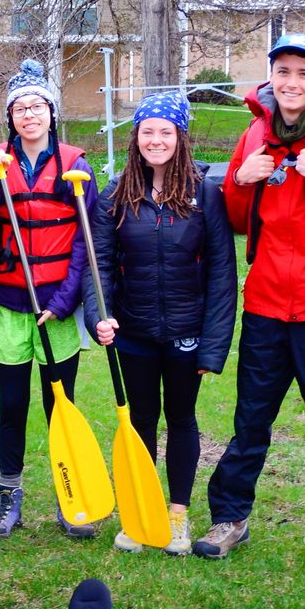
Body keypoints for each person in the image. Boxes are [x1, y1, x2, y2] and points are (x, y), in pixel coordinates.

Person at [192, 33, 305, 591]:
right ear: (272, 76)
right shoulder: (253, 133)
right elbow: (242, 222)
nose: (290, 82)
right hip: (267, 304)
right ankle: (230, 519)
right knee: (250, 425)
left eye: (302, 72)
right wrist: (239, 184)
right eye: (282, 70)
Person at [84, 90, 236, 555]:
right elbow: (100, 265)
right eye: (147, 132)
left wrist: (212, 348)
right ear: (136, 139)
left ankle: (177, 515)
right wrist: (99, 316)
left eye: (165, 132)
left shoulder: (205, 193)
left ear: (180, 138)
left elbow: (222, 275)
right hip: (134, 333)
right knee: (143, 420)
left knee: (182, 419)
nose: (155, 140)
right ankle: (141, 512)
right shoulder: (117, 193)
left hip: (186, 333)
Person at [0, 59, 99, 539]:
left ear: (51, 112)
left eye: (37, 105)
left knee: (59, 401)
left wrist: (65, 301)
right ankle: (8, 496)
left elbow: (87, 242)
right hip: (7, 303)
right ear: (10, 117)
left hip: (57, 307)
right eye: (20, 108)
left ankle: (71, 496)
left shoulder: (75, 166)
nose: (28, 115)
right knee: (12, 403)